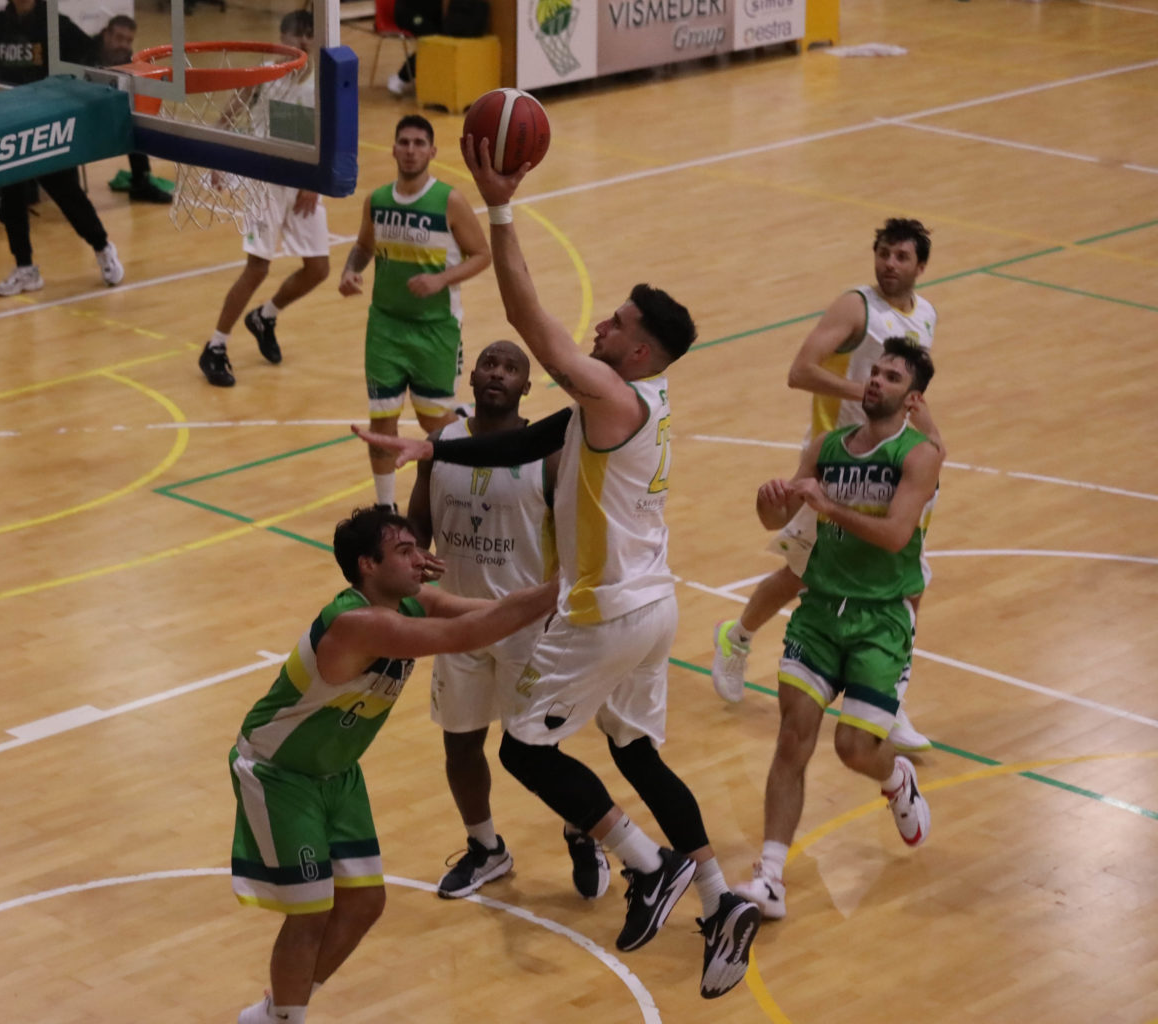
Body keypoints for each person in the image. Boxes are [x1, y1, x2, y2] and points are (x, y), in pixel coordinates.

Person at [351, 136, 762, 1000]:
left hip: (605, 607)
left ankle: (647, 866)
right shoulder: (635, 400)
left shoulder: (612, 391)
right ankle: (721, 897)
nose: (601, 327)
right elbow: (540, 435)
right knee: (638, 753)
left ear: (641, 352)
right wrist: (430, 444)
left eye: (616, 324)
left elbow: (533, 326)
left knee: (527, 750)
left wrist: (500, 210)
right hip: (654, 603)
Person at [230, 505, 558, 1024]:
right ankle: (285, 1017)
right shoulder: (358, 623)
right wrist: (565, 586)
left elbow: (471, 609)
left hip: (336, 771)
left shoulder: (406, 601)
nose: (419, 558)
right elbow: (465, 635)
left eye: (415, 549)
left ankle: (277, 1010)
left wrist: (542, 602)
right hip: (280, 772)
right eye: (404, 551)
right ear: (367, 565)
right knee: (311, 910)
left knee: (363, 904)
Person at [710, 218, 939, 752]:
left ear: (920, 266)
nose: (889, 264)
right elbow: (800, 370)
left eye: (901, 256)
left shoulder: (925, 315)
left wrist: (933, 441)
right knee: (802, 571)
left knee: (906, 579)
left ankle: (889, 699)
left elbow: (916, 393)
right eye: (883, 253)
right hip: (839, 459)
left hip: (894, 461)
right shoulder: (855, 308)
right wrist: (866, 389)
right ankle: (737, 636)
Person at [732, 339, 941, 922]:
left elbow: (897, 535)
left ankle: (895, 777)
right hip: (821, 610)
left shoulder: (919, 455)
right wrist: (769, 501)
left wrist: (828, 507)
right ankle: (770, 874)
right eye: (874, 371)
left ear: (912, 397)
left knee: (854, 749)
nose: (875, 380)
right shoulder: (825, 447)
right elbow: (784, 515)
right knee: (793, 737)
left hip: (882, 620)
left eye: (891, 376)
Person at [405, 339, 568, 898]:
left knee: (542, 748)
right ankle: (485, 848)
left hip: (527, 625)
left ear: (527, 386)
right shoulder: (441, 443)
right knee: (461, 743)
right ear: (471, 375)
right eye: (489, 363)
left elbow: (573, 541)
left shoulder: (546, 454)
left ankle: (582, 825)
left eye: (512, 367)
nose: (498, 372)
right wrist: (410, 559)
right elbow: (418, 519)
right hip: (457, 622)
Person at [339, 115, 491, 511]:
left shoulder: (449, 201)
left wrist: (441, 281)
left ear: (432, 151)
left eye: (419, 143)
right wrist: (350, 271)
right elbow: (363, 246)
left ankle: (470, 482)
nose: (410, 150)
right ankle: (386, 507)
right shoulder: (377, 200)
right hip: (385, 327)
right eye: (404, 142)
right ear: (392, 149)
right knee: (382, 423)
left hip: (435, 329)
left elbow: (482, 254)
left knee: (432, 425)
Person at [199, 10, 327, 388]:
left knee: (318, 269)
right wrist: (217, 158)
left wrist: (315, 181)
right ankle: (216, 346)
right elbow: (230, 114)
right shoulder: (263, 72)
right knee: (258, 267)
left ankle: (265, 317)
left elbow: (328, 136)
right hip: (265, 181)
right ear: (281, 37)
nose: (303, 41)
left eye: (309, 35)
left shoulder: (323, 81)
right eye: (296, 34)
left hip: (302, 180)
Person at [0, 0, 123, 296]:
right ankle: (25, 268)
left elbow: (87, 54)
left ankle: (103, 246)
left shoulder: (55, 24)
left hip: (47, 126)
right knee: (11, 198)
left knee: (67, 193)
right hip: (11, 124)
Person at [93, 13, 172, 206]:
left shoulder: (128, 60)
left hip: (105, 111)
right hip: (79, 107)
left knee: (136, 120)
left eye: (129, 40)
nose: (124, 45)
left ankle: (141, 182)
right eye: (119, 38)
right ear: (106, 35)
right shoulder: (84, 49)